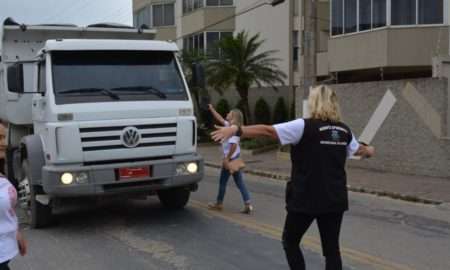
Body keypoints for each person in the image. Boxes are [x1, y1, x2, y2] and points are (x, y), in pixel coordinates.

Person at [211, 85, 375, 270]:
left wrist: (236, 130)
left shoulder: (303, 126)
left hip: (305, 198)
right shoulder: (344, 131)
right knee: (331, 250)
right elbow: (361, 150)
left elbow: (268, 131)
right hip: (334, 199)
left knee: (290, 241)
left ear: (314, 103)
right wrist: (370, 149)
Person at [207, 104, 253, 214]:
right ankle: (248, 204)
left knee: (223, 182)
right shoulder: (229, 126)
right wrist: (212, 109)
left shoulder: (234, 130)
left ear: (234, 118)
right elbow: (220, 118)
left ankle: (219, 204)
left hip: (230, 159)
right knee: (240, 182)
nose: (227, 114)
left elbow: (234, 145)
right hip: (235, 158)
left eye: (229, 113)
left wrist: (227, 159)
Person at [0, 120, 27, 270]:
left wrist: (15, 233)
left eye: (4, 137)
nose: (4, 143)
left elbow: (5, 211)